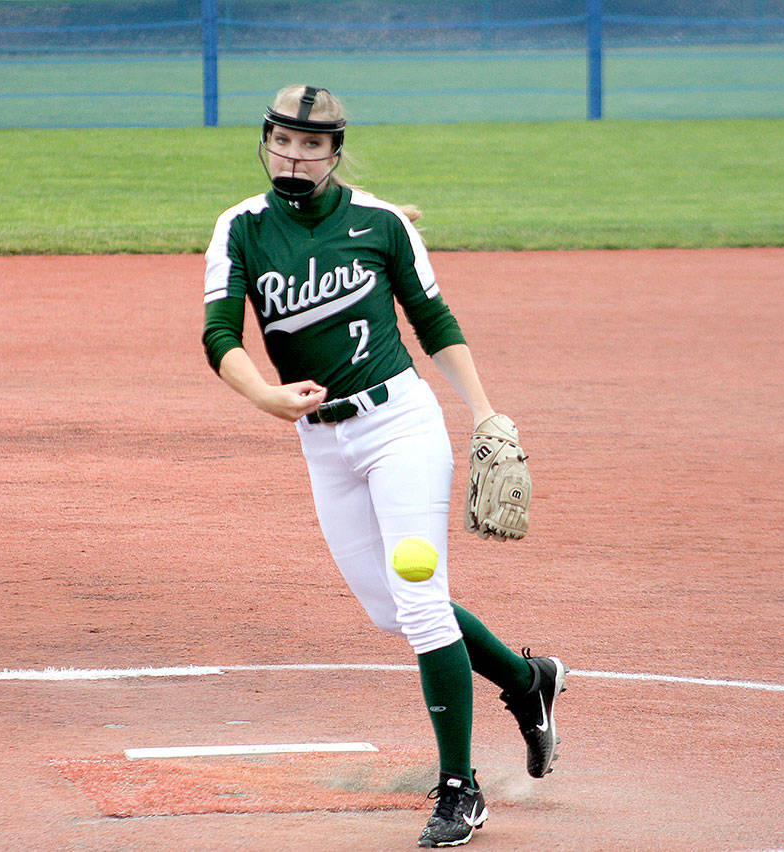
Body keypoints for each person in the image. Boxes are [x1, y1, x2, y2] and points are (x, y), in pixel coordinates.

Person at [202, 84, 567, 848]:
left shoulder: (382, 225)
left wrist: (485, 412)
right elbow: (219, 335)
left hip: (401, 425)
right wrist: (267, 396)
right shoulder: (239, 230)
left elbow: (432, 318)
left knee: (422, 601)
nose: (293, 155)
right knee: (389, 610)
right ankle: (527, 681)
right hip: (322, 442)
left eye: (311, 144)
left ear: (336, 152)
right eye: (283, 140)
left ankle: (460, 790)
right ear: (264, 141)